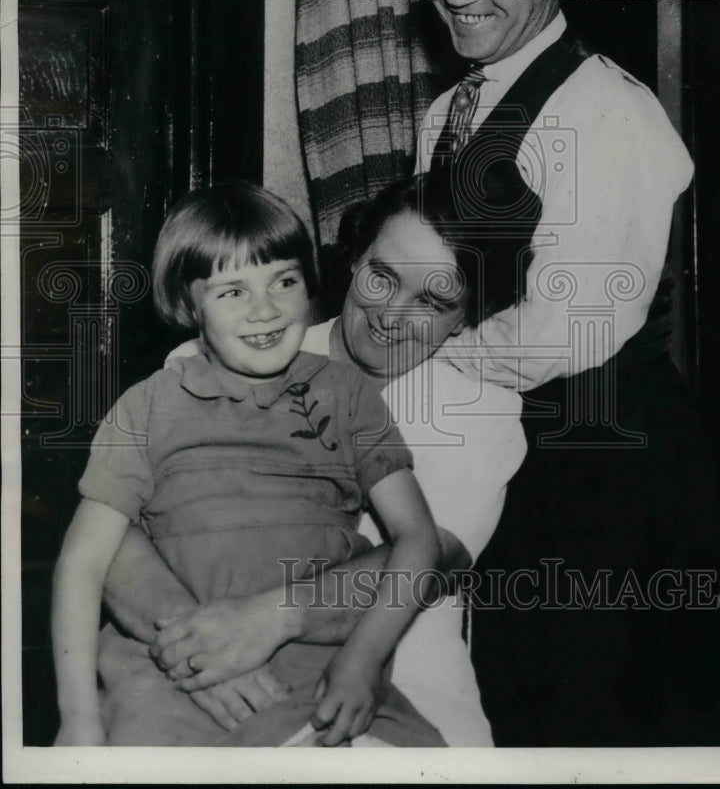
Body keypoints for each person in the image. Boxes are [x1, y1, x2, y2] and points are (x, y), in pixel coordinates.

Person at [415, 0, 720, 745]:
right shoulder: (446, 116)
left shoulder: (605, 113)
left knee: (589, 729)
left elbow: (566, 327)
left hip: (604, 482)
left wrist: (410, 366)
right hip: (494, 464)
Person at [97, 163, 540, 747]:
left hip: (384, 690)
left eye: (434, 301)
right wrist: (200, 657)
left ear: (468, 318)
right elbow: (113, 533)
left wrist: (266, 620)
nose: (390, 315)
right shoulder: (223, 351)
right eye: (382, 276)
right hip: (193, 674)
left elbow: (425, 559)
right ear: (355, 256)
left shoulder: (478, 412)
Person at [52, 181, 448, 748]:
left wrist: (364, 659)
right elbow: (83, 564)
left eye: (284, 281)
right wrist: (78, 716)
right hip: (173, 673)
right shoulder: (147, 406)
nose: (266, 310)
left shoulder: (346, 393)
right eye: (232, 291)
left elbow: (419, 541)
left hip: (322, 670)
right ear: (189, 305)